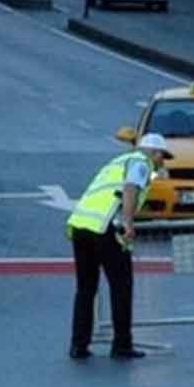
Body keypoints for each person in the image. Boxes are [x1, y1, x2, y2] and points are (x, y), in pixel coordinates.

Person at [65, 133, 174, 360]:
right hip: (107, 228)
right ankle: (122, 344)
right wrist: (127, 222)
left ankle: (79, 345)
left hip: (81, 226)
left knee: (86, 289)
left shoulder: (117, 162)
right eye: (162, 156)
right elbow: (131, 189)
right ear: (154, 153)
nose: (162, 162)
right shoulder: (141, 164)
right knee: (121, 286)